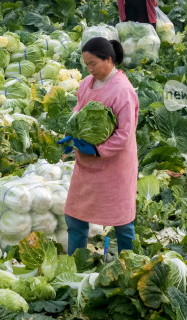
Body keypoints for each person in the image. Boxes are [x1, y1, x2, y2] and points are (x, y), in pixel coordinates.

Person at [57, 37, 139, 256]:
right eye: (86, 65)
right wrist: (70, 133)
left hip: (115, 166)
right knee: (75, 216)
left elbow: (125, 133)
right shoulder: (86, 83)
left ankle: (127, 264)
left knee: (122, 223)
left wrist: (97, 150)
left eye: (93, 64)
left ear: (108, 60)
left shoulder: (123, 90)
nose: (89, 69)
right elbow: (78, 110)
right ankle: (77, 264)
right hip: (86, 165)